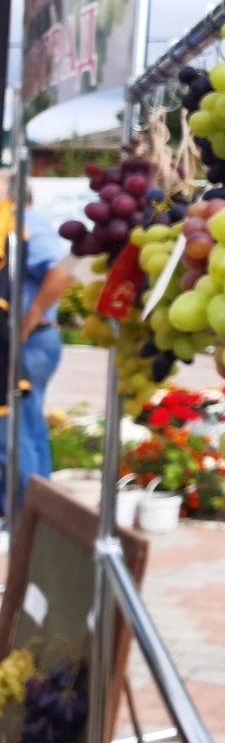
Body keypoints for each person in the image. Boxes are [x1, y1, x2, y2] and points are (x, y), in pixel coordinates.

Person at [0, 173, 72, 508]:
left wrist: (30, 318)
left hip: (31, 341)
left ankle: (22, 513)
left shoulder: (25, 223)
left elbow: (62, 270)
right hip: (31, 341)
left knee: (15, 428)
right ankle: (37, 508)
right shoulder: (25, 223)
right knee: (28, 425)